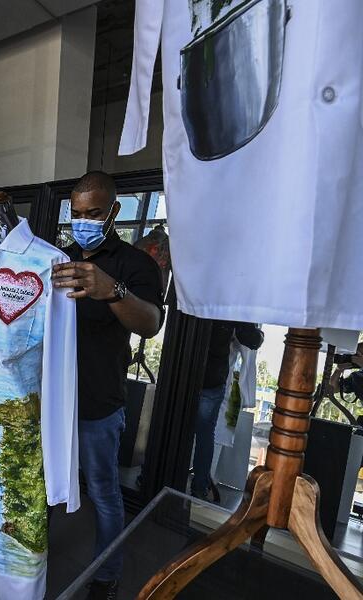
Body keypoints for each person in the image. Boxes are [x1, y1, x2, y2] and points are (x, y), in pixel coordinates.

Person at [52, 171, 165, 600]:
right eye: (77, 213)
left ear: (113, 212)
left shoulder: (135, 265)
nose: (84, 221)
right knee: (42, 485)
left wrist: (110, 290)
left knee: (103, 492)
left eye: (93, 213)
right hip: (52, 401)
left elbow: (152, 323)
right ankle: (30, 561)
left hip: (99, 403)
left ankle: (107, 575)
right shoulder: (57, 260)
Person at [191, 320, 264, 501]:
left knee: (175, 424)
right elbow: (251, 340)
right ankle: (200, 487)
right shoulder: (233, 306)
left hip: (185, 366)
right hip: (213, 376)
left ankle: (154, 475)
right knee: (205, 435)